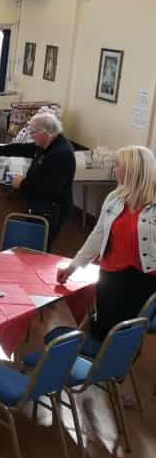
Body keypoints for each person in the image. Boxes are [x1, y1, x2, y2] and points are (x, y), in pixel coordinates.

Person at [56, 146, 156, 344]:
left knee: (129, 331)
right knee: (105, 327)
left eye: (118, 166)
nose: (114, 170)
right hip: (111, 273)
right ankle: (100, 368)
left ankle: (117, 368)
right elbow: (97, 235)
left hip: (145, 277)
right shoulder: (114, 199)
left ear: (132, 170)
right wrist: (73, 267)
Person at [0, 112, 75, 248]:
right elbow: (21, 148)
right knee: (30, 245)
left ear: (45, 132)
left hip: (50, 211)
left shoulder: (60, 154)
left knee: (38, 248)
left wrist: (22, 184)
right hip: (38, 206)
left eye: (33, 133)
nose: (31, 136)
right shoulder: (46, 145)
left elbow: (50, 190)